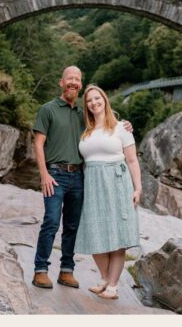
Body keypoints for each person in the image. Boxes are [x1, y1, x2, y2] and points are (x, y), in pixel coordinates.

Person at [30, 66, 131, 290]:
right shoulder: (47, 110)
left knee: (73, 225)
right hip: (54, 175)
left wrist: (125, 124)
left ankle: (67, 270)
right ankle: (41, 270)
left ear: (80, 85)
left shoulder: (83, 114)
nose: (73, 82)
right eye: (69, 79)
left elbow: (105, 124)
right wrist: (44, 174)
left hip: (79, 176)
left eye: (77, 79)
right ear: (61, 82)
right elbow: (38, 143)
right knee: (52, 221)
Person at [73, 85, 142, 300]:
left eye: (97, 98)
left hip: (117, 183)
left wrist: (138, 187)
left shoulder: (121, 127)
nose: (94, 103)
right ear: (87, 106)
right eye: (90, 101)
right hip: (92, 184)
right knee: (95, 232)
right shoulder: (86, 131)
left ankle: (112, 285)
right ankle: (103, 277)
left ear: (105, 99)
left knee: (117, 236)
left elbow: (132, 159)